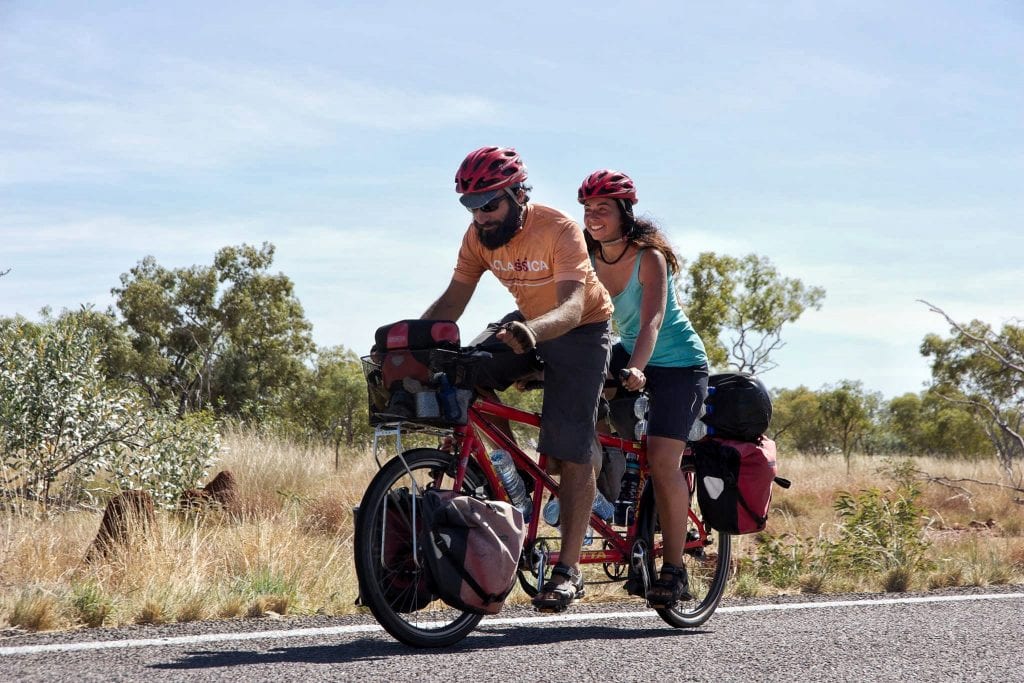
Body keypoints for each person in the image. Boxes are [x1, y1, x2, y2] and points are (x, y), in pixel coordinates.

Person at [422, 146, 614, 612]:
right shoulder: (478, 237)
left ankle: (567, 571)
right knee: (463, 374)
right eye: (469, 205)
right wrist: (413, 344)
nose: (480, 216)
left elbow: (570, 307)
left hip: (580, 328)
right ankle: (517, 485)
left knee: (568, 444)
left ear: (517, 194)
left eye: (488, 203)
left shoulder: (559, 228)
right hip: (526, 320)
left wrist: (533, 334)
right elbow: (453, 300)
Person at [578, 169, 709, 608]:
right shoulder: (588, 255)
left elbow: (651, 321)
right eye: (588, 209)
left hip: (677, 364)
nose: (594, 216)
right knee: (578, 419)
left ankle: (674, 570)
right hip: (629, 352)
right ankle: (614, 502)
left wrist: (636, 369)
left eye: (603, 209)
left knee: (662, 458)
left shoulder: (647, 256)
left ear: (623, 212)